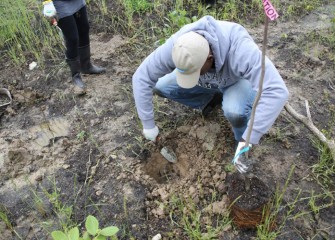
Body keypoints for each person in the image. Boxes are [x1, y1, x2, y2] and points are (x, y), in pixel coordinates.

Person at [132, 15, 289, 173]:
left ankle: (241, 144)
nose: (193, 76)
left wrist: (249, 137)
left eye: (195, 72)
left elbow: (277, 90)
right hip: (211, 81)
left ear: (210, 58)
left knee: (235, 112)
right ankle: (210, 100)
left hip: (235, 81)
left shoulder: (240, 50)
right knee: (162, 86)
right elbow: (141, 77)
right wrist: (148, 125)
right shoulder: (180, 46)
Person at [43, 0, 105, 90]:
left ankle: (86, 66)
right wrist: (47, 3)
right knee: (72, 38)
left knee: (84, 28)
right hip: (59, 4)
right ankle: (76, 76)